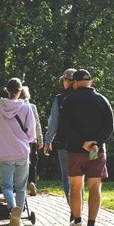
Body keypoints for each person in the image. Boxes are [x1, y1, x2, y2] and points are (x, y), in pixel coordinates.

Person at [58, 69, 114, 226]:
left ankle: (78, 222)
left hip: (75, 151)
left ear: (74, 83)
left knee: (75, 187)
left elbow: (65, 128)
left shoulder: (68, 101)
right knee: (95, 187)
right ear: (91, 81)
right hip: (96, 152)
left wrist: (82, 143)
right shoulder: (102, 100)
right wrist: (96, 143)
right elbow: (109, 126)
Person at [0, 78, 36, 226]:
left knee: (6, 186)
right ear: (20, 91)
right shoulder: (26, 108)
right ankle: (18, 217)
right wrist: (24, 140)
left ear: (6, 90)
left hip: (3, 153)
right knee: (21, 187)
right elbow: (31, 132)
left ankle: (11, 208)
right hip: (21, 152)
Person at [43, 68, 76, 203]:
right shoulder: (86, 97)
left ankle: (73, 210)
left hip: (64, 143)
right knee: (79, 178)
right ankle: (78, 208)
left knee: (66, 178)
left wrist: (47, 141)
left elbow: (53, 123)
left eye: (63, 80)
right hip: (82, 144)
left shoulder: (60, 98)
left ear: (67, 81)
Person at [19, 85, 43, 196]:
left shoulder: (15, 107)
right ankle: (32, 182)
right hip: (31, 139)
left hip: (19, 140)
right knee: (33, 162)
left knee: (20, 163)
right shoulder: (32, 107)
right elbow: (37, 123)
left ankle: (21, 186)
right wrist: (40, 139)